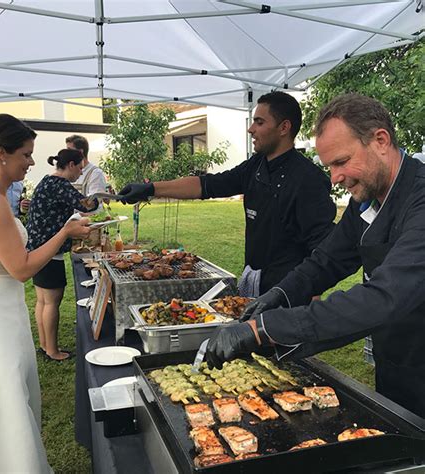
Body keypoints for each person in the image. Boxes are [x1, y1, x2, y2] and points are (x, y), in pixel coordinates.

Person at [205, 94, 425, 419]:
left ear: (380, 140)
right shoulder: (369, 197)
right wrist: (278, 295)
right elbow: (328, 259)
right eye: (329, 166)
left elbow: (384, 297)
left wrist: (264, 329)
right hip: (396, 360)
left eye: (341, 162)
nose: (335, 178)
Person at [0, 114, 90, 471]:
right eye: (26, 154)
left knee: (1, 388)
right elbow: (23, 268)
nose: (31, 161)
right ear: (2, 153)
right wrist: (65, 232)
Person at [119, 91, 336, 296]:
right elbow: (207, 185)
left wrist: (309, 292)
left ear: (284, 127)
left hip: (288, 291)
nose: (251, 129)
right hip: (254, 279)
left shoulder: (309, 180)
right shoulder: (256, 166)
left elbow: (324, 250)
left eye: (259, 122)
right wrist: (151, 189)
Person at [26, 149, 98, 361]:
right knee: (51, 302)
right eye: (80, 169)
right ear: (71, 165)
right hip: (49, 251)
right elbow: (87, 204)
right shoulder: (61, 185)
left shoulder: (46, 180)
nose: (80, 174)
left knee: (42, 300)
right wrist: (101, 195)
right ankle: (53, 351)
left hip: (36, 248)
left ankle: (44, 345)